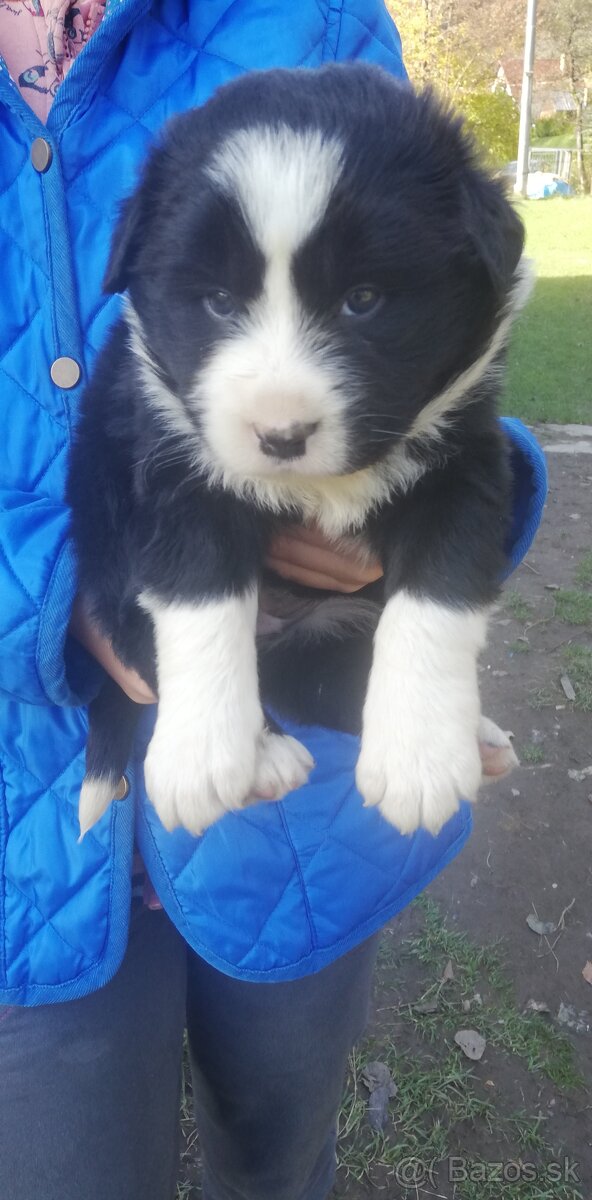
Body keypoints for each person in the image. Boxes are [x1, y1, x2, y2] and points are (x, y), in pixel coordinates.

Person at [0, 3, 547, 1199]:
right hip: (24, 827)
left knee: (282, 1135)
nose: (281, 400)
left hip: (302, 848)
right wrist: (77, 615)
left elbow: (464, 464)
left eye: (353, 305)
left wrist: (419, 637)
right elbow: (160, 501)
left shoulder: (313, 19)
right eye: (222, 305)